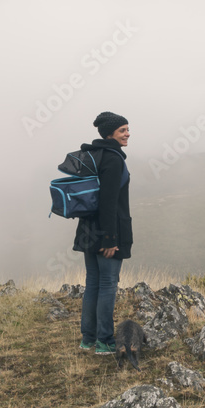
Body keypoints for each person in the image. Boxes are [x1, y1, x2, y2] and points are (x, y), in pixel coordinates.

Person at [73, 111, 132, 354]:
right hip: (108, 232)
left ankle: (88, 339)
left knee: (93, 283)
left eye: (128, 129)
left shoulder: (93, 155)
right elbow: (108, 202)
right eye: (122, 130)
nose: (128, 134)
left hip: (87, 230)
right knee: (107, 284)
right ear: (110, 134)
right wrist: (110, 239)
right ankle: (105, 342)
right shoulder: (113, 159)